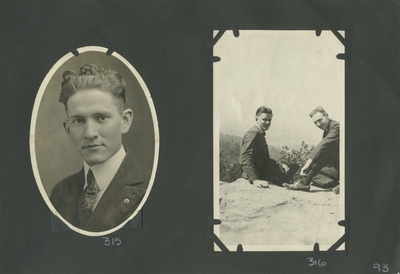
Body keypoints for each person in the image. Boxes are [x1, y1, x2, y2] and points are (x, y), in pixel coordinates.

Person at [50, 64, 151, 232]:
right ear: (68, 130)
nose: (90, 133)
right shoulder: (60, 193)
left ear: (124, 121)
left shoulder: (150, 186)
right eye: (79, 121)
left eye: (101, 117)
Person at [239, 106, 298, 188]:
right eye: (264, 119)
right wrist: (255, 180)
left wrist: (278, 164)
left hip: (263, 171)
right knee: (291, 175)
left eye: (269, 120)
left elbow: (264, 159)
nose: (267, 122)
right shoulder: (253, 133)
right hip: (257, 175)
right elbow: (245, 157)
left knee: (294, 167)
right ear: (256, 119)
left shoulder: (259, 133)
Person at [283, 106, 339, 191]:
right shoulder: (328, 128)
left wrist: (308, 164)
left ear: (326, 115)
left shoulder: (336, 127)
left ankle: (305, 183)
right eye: (315, 122)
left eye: (320, 120)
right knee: (312, 169)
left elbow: (323, 145)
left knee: (314, 167)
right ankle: (305, 183)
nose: (318, 124)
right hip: (336, 166)